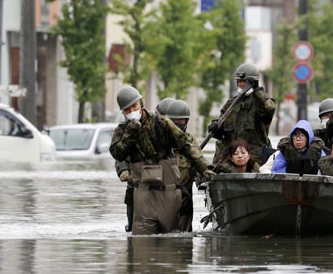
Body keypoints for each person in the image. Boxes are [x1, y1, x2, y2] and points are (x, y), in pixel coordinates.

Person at [109, 86, 215, 235]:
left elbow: (186, 145)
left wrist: (205, 168)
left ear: (141, 103)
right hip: (143, 192)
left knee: (172, 238)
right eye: (127, 109)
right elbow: (118, 154)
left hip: (168, 190)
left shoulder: (161, 122)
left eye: (134, 106)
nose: (132, 111)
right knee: (142, 240)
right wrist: (129, 135)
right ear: (123, 112)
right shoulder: (122, 130)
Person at [208, 63, 276, 165]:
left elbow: (270, 108)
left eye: (245, 81)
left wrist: (258, 91)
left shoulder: (260, 103)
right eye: (239, 81)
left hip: (254, 161)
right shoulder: (230, 104)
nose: (242, 84)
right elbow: (221, 127)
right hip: (231, 159)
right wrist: (215, 127)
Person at [165, 99, 202, 232]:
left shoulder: (191, 142)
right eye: (174, 120)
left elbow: (199, 166)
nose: (177, 123)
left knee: (184, 238)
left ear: (186, 121)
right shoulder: (161, 141)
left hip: (185, 201)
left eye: (181, 120)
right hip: (162, 200)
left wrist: (202, 178)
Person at [260, 119, 327, 174]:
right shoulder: (282, 152)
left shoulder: (319, 153)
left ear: (308, 138)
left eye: (302, 135)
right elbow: (266, 170)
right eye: (295, 135)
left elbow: (324, 173)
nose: (298, 139)